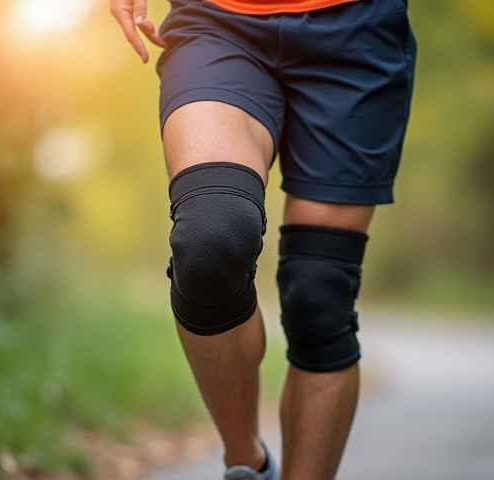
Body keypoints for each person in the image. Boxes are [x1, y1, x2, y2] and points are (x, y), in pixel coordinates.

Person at [111, 0, 415, 478]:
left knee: (319, 293)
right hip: (218, 21)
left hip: (357, 31)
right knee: (211, 239)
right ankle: (246, 461)